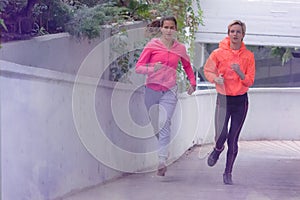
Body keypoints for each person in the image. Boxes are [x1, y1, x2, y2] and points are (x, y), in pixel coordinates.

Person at [135, 16, 196, 176]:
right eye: (166, 27)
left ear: (176, 30)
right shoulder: (152, 45)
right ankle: (163, 147)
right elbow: (139, 67)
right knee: (156, 124)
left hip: (170, 89)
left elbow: (187, 66)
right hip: (151, 89)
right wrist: (152, 69)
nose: (169, 30)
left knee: (164, 122)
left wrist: (193, 82)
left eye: (172, 28)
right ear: (161, 29)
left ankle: (161, 160)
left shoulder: (180, 48)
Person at [203, 20, 255, 184]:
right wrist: (215, 79)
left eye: (238, 32)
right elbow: (208, 70)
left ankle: (228, 173)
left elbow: (250, 81)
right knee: (221, 134)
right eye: (232, 31)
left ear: (243, 35)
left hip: (240, 101)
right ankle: (218, 149)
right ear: (228, 33)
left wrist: (240, 73)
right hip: (223, 99)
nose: (235, 34)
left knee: (233, 139)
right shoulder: (218, 53)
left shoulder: (248, 56)